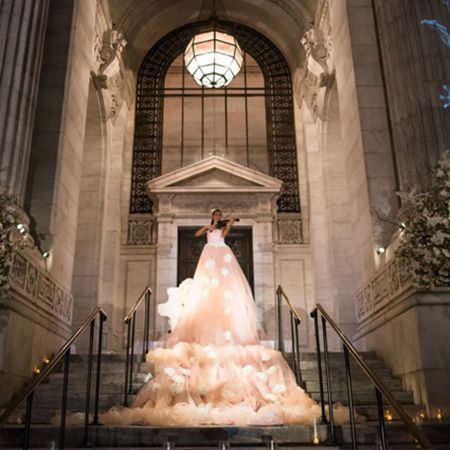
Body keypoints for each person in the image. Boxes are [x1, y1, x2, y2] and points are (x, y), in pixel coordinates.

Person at [104, 208, 321, 426]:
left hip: (221, 253)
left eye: (219, 216)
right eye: (216, 216)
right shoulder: (210, 228)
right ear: (213, 217)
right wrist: (209, 226)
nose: (218, 218)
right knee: (208, 285)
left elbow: (225, 233)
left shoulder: (222, 230)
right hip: (209, 254)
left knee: (225, 285)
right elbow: (199, 234)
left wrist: (230, 224)